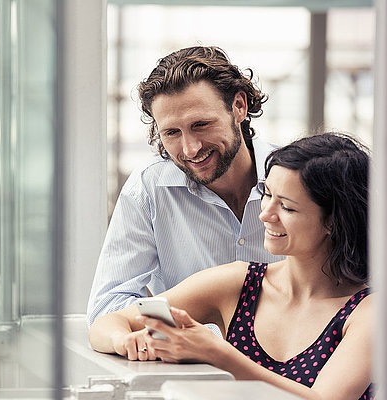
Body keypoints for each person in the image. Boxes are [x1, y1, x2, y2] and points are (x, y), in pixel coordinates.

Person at [89, 133, 373, 400]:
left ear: (333, 221)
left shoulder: (369, 311)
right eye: (267, 193)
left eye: (287, 207)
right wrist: (125, 341)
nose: (265, 214)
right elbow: (108, 323)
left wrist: (219, 354)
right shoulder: (240, 283)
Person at [87, 46, 283, 326]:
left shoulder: (303, 178)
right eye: (171, 133)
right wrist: (206, 339)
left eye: (201, 124)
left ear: (239, 106)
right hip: (193, 367)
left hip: (302, 366)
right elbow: (108, 307)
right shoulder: (148, 188)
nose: (190, 149)